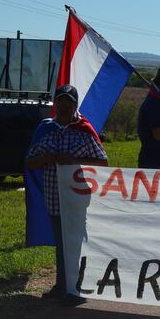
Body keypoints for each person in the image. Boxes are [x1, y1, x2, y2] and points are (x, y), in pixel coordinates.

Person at [25, 85, 108, 306]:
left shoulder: (84, 131)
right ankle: (62, 285)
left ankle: (75, 289)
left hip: (77, 201)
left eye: (68, 103)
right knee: (61, 245)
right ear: (55, 104)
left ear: (75, 106)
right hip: (53, 199)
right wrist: (45, 159)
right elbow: (29, 162)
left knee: (75, 244)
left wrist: (73, 161)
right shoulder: (46, 130)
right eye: (60, 102)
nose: (64, 106)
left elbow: (103, 162)